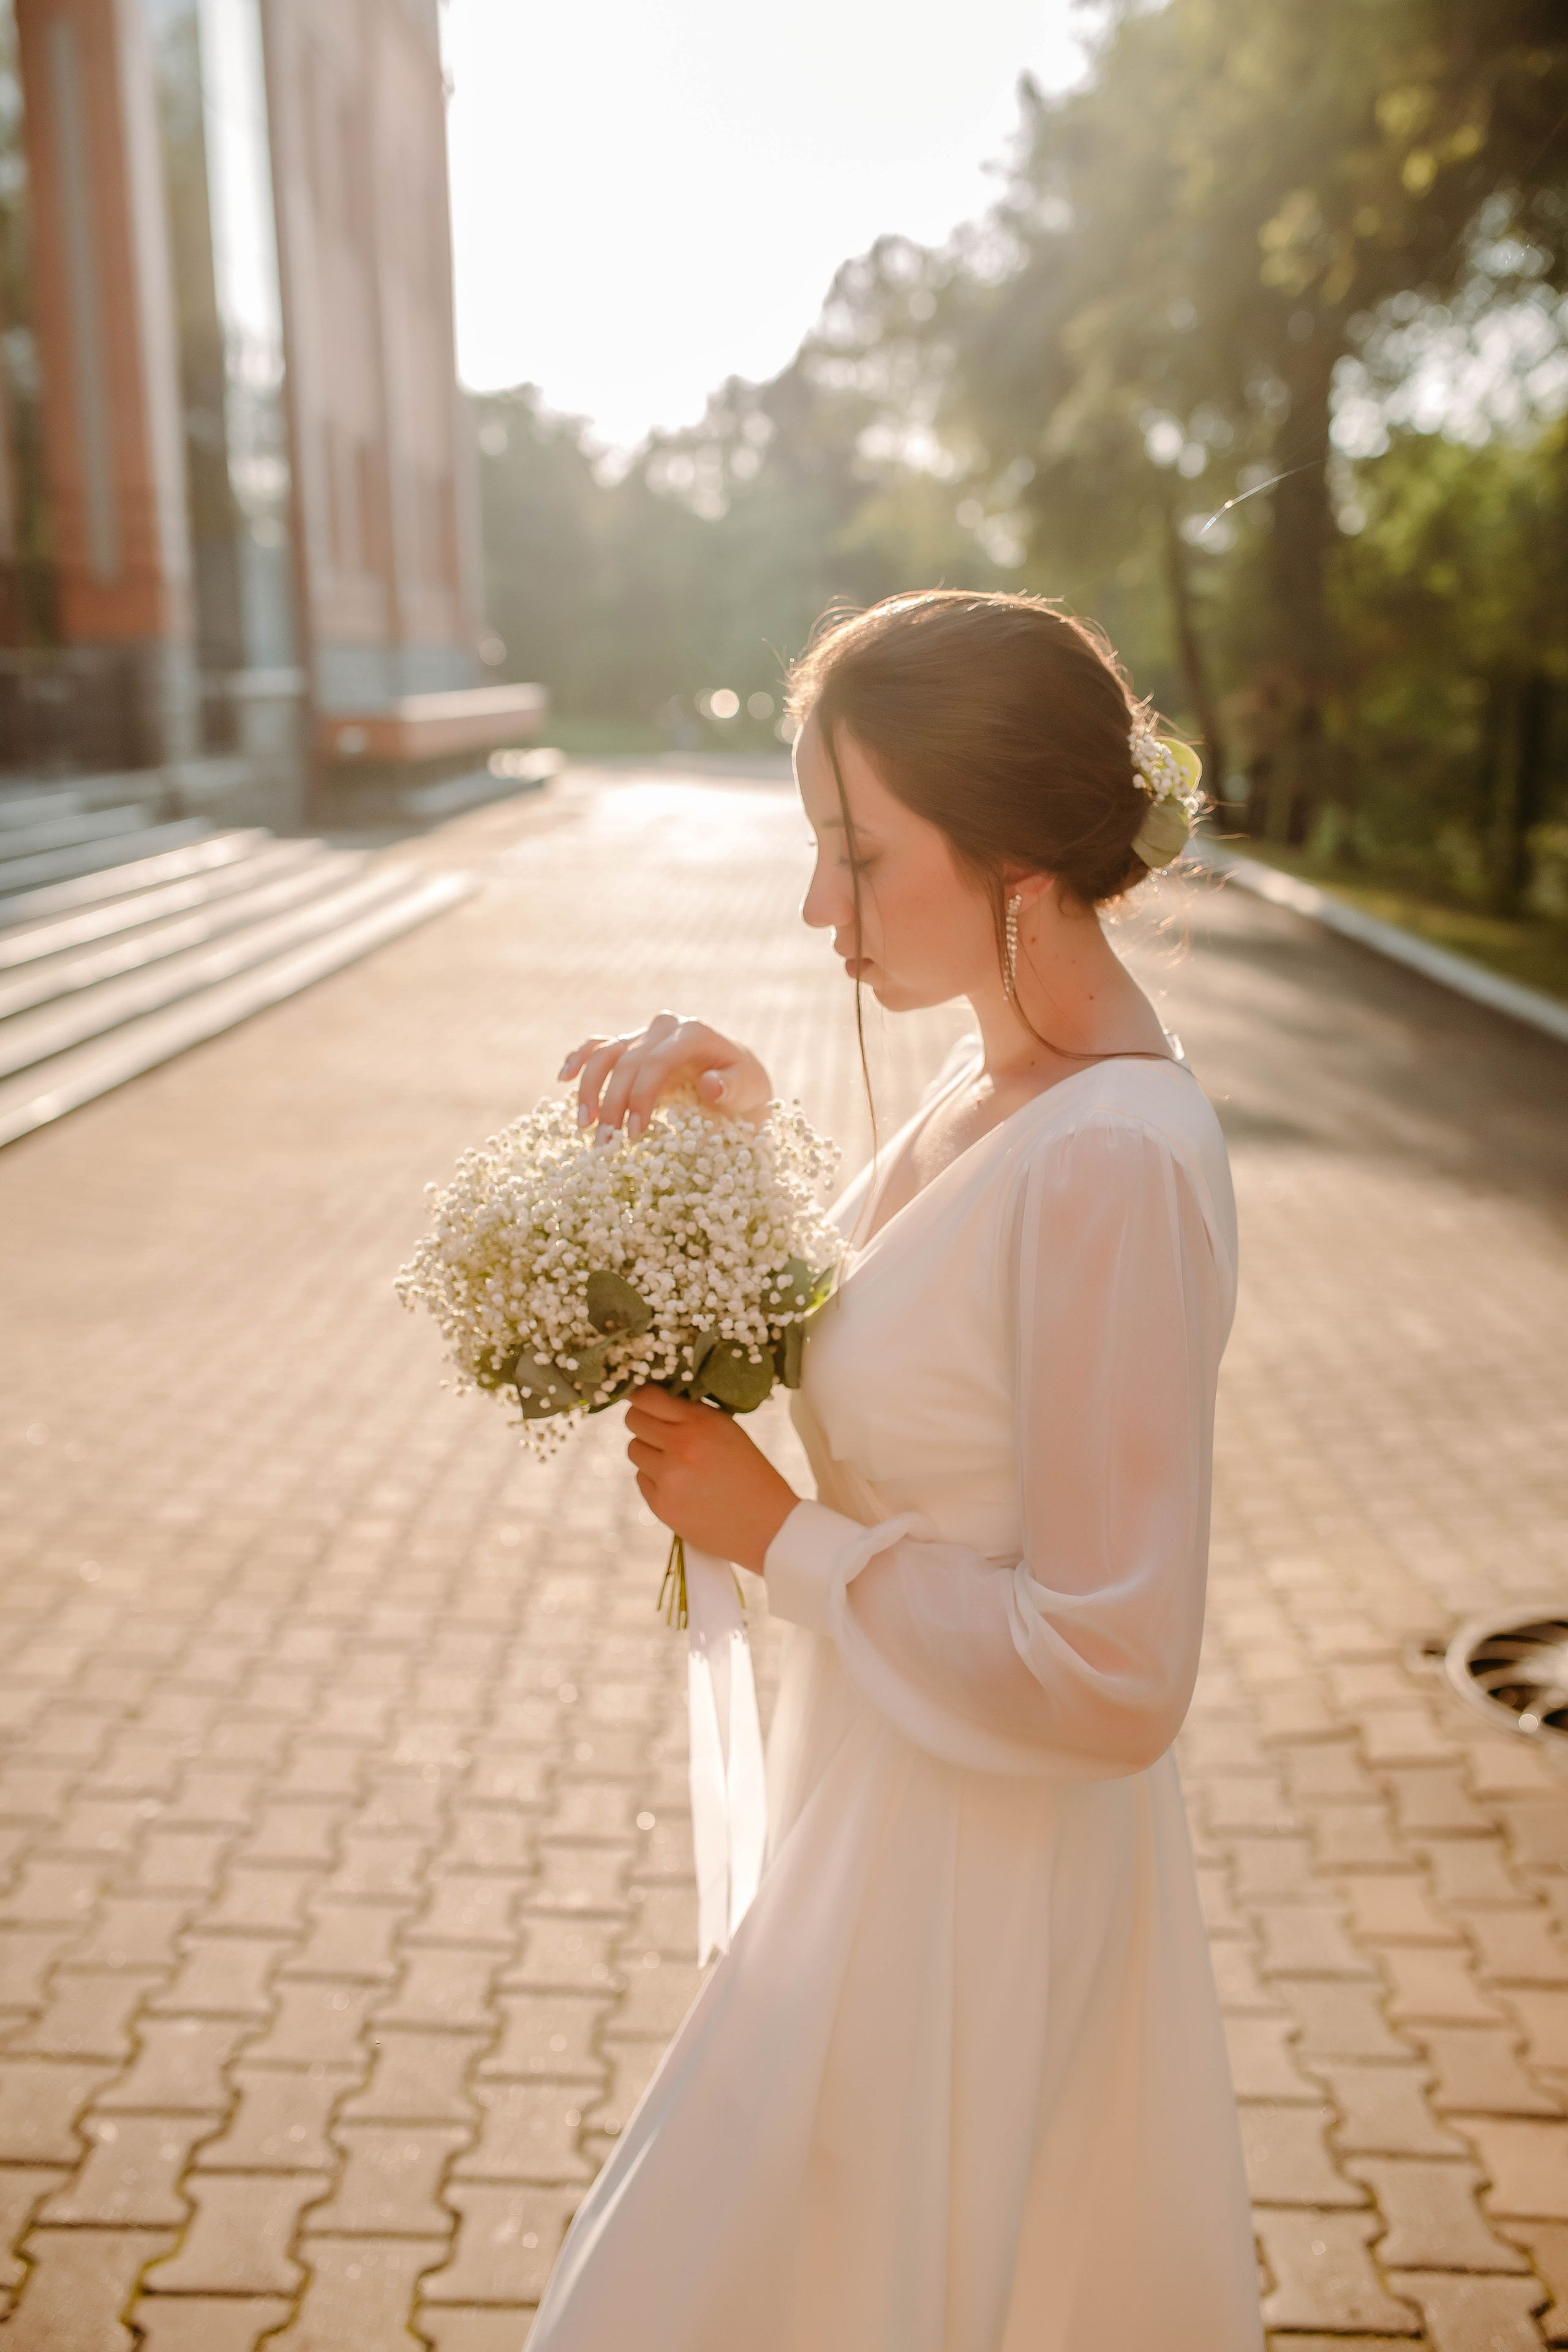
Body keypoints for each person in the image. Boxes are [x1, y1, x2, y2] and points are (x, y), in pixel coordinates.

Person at [532, 590, 1262, 2351]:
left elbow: (1116, 1670)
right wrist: (745, 1141)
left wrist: (782, 1541)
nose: (815, 905)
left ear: (1015, 855)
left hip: (976, 1890)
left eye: (858, 855)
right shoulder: (990, 1085)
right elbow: (915, 1357)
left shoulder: (1115, 1162)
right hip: (882, 1809)